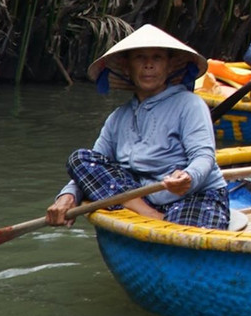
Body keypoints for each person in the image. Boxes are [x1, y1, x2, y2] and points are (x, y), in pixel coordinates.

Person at [46, 25, 229, 229]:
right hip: (142, 199)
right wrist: (68, 195)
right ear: (127, 67)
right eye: (140, 58)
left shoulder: (190, 104)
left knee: (187, 236)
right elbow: (91, 166)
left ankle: (154, 217)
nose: (148, 65)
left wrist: (188, 176)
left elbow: (203, 156)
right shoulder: (118, 118)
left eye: (157, 58)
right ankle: (147, 213)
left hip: (193, 195)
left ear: (169, 66)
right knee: (79, 158)